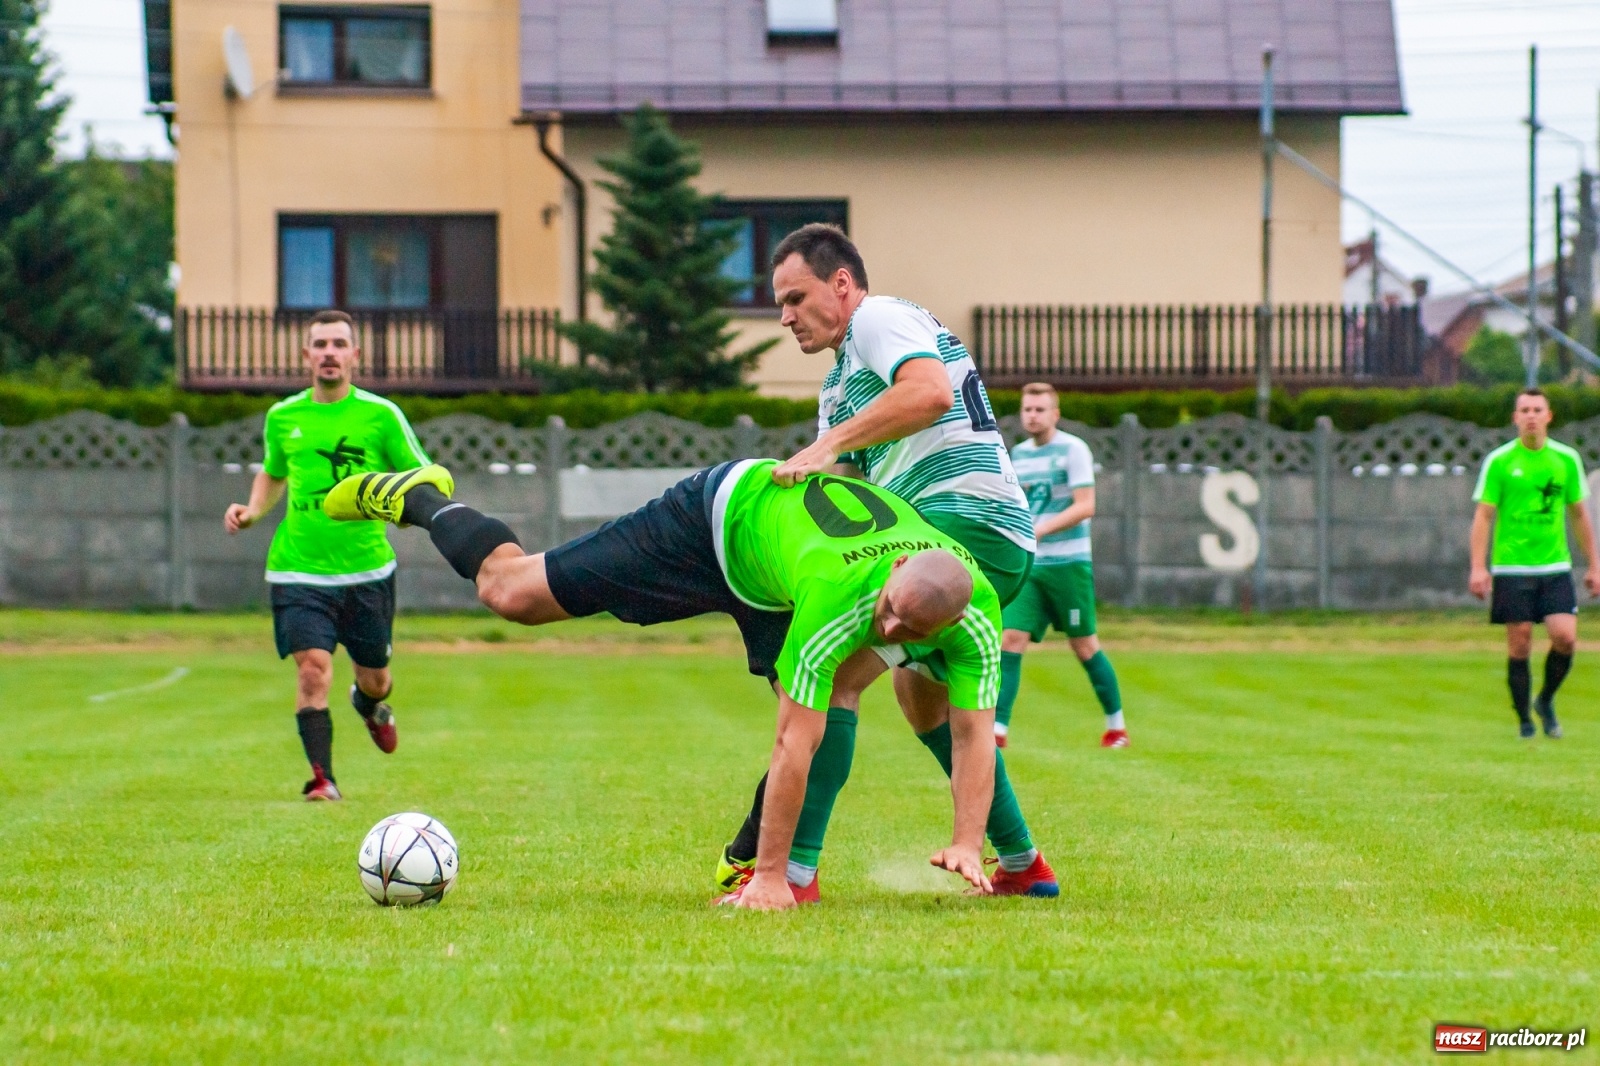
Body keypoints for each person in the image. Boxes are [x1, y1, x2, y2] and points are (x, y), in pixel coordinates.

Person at [322, 457, 1003, 910]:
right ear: (890, 581)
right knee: (512, 593)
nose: (885, 630)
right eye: (886, 613)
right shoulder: (840, 593)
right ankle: (421, 496)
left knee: (836, 697)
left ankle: (753, 861)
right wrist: (771, 883)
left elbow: (976, 733)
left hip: (778, 570)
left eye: (903, 632)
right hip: (712, 522)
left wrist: (968, 842)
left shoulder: (976, 614)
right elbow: (792, 741)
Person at [715, 223, 1057, 900]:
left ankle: (795, 878)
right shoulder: (842, 382)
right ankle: (1022, 863)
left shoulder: (878, 318)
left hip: (965, 524)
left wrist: (825, 447)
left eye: (795, 296)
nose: (784, 315)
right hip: (960, 534)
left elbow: (928, 392)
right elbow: (849, 485)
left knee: (837, 675)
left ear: (841, 285)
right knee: (921, 697)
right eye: (777, 302)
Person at [223, 309, 431, 800]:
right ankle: (323, 779)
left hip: (367, 570)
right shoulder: (284, 417)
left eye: (339, 344)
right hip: (298, 569)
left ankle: (370, 704)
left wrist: (416, 511)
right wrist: (253, 511)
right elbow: (273, 472)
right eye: (320, 344)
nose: (329, 353)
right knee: (313, 668)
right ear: (306, 355)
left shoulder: (381, 416)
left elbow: (418, 473)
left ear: (355, 355)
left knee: (375, 677)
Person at [997, 384, 1127, 749]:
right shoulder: (1017, 456)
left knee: (1084, 645)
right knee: (1011, 639)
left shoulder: (1074, 450)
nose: (1032, 416)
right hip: (1031, 566)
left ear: (1055, 414)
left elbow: (1085, 505)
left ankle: (1116, 727)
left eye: (1040, 409)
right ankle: (998, 730)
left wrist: (1040, 528)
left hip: (1068, 564)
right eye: (1027, 409)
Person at [1469, 387, 1600, 739]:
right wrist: (1478, 567)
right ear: (1515, 418)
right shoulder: (1500, 462)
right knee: (1521, 642)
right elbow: (1483, 516)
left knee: (1565, 638)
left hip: (1554, 566)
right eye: (1524, 409)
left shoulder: (1565, 459)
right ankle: (1525, 721)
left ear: (1548, 416)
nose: (1530, 415)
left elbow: (1578, 514)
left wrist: (1595, 564)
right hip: (1512, 566)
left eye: (1536, 409)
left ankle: (1545, 700)